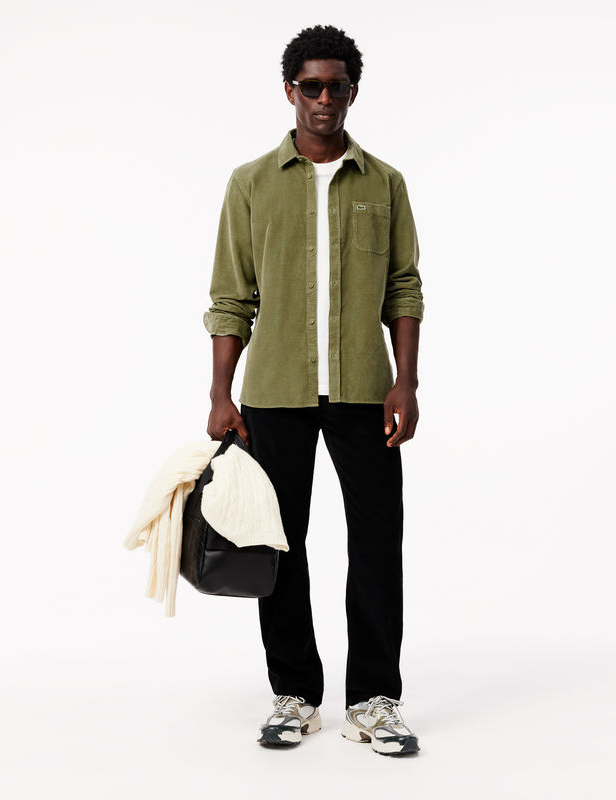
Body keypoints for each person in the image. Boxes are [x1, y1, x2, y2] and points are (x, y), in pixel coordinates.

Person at [203, 24, 424, 756]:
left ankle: (374, 699)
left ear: (353, 92)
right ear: (289, 90)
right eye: (311, 86)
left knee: (377, 543)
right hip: (275, 393)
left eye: (337, 86)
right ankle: (294, 694)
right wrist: (221, 394)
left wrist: (406, 382)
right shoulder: (251, 183)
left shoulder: (384, 183)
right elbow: (231, 297)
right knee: (279, 544)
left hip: (366, 392)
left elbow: (404, 287)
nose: (324, 98)